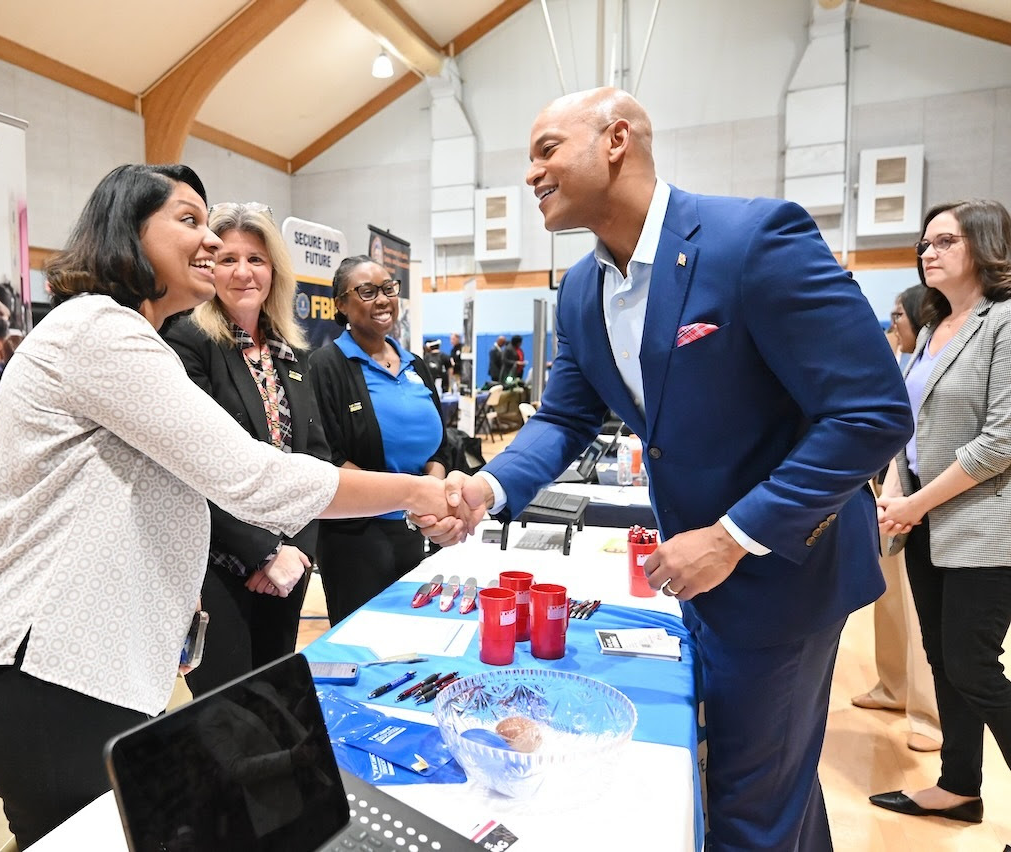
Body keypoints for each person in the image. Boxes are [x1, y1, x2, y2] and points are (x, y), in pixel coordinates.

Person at [413, 88, 912, 851]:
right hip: (694, 577)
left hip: (782, 575)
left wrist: (733, 536)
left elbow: (872, 413)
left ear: (616, 139)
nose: (531, 174)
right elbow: (563, 418)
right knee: (767, 778)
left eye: (547, 149)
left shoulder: (752, 240)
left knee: (748, 806)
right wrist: (486, 487)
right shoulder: (581, 289)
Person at [0, 164, 455, 848]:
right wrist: (418, 492)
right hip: (35, 662)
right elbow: (250, 477)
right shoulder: (100, 331)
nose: (209, 239)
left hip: (85, 656)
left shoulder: (131, 337)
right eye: (189, 220)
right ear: (127, 230)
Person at [870, 199, 1011, 826]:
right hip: (926, 521)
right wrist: (896, 498)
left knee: (973, 666)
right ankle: (959, 786)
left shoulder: (1003, 322)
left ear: (983, 247)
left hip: (986, 527)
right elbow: (911, 428)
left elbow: (1001, 442)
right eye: (925, 242)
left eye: (945, 241)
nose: (928, 252)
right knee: (943, 663)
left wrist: (916, 502)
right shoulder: (931, 328)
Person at [164, 201, 330, 696]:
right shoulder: (186, 341)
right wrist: (262, 553)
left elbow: (314, 458)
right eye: (227, 258)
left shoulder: (291, 350)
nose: (242, 272)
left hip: (289, 566)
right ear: (207, 266)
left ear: (274, 269)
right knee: (229, 713)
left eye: (255, 259)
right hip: (220, 565)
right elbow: (190, 466)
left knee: (278, 696)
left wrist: (297, 550)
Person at [309, 255, 448, 626]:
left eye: (389, 288)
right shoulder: (325, 366)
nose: (383, 300)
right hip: (358, 538)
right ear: (340, 304)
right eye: (368, 292)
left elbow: (442, 444)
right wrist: (405, 498)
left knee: (420, 635)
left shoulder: (416, 364)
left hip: (422, 527)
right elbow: (329, 455)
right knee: (366, 642)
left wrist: (430, 490)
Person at [853, 282, 941, 754]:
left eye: (897, 317)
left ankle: (929, 715)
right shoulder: (909, 353)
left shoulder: (935, 351)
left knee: (915, 607)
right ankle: (892, 688)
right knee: (888, 597)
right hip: (889, 483)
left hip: (922, 491)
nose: (892, 326)